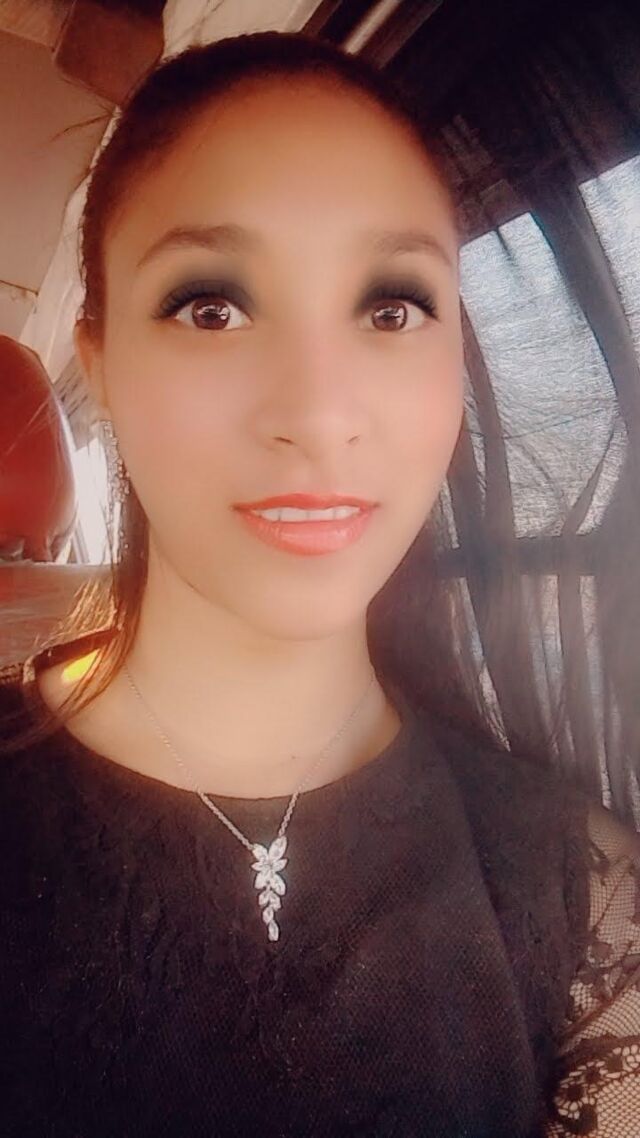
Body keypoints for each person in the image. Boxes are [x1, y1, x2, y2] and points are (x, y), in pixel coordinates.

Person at [1, 30, 639, 1138]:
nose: (318, 410)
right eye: (212, 306)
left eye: (391, 308)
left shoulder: (583, 893)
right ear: (99, 360)